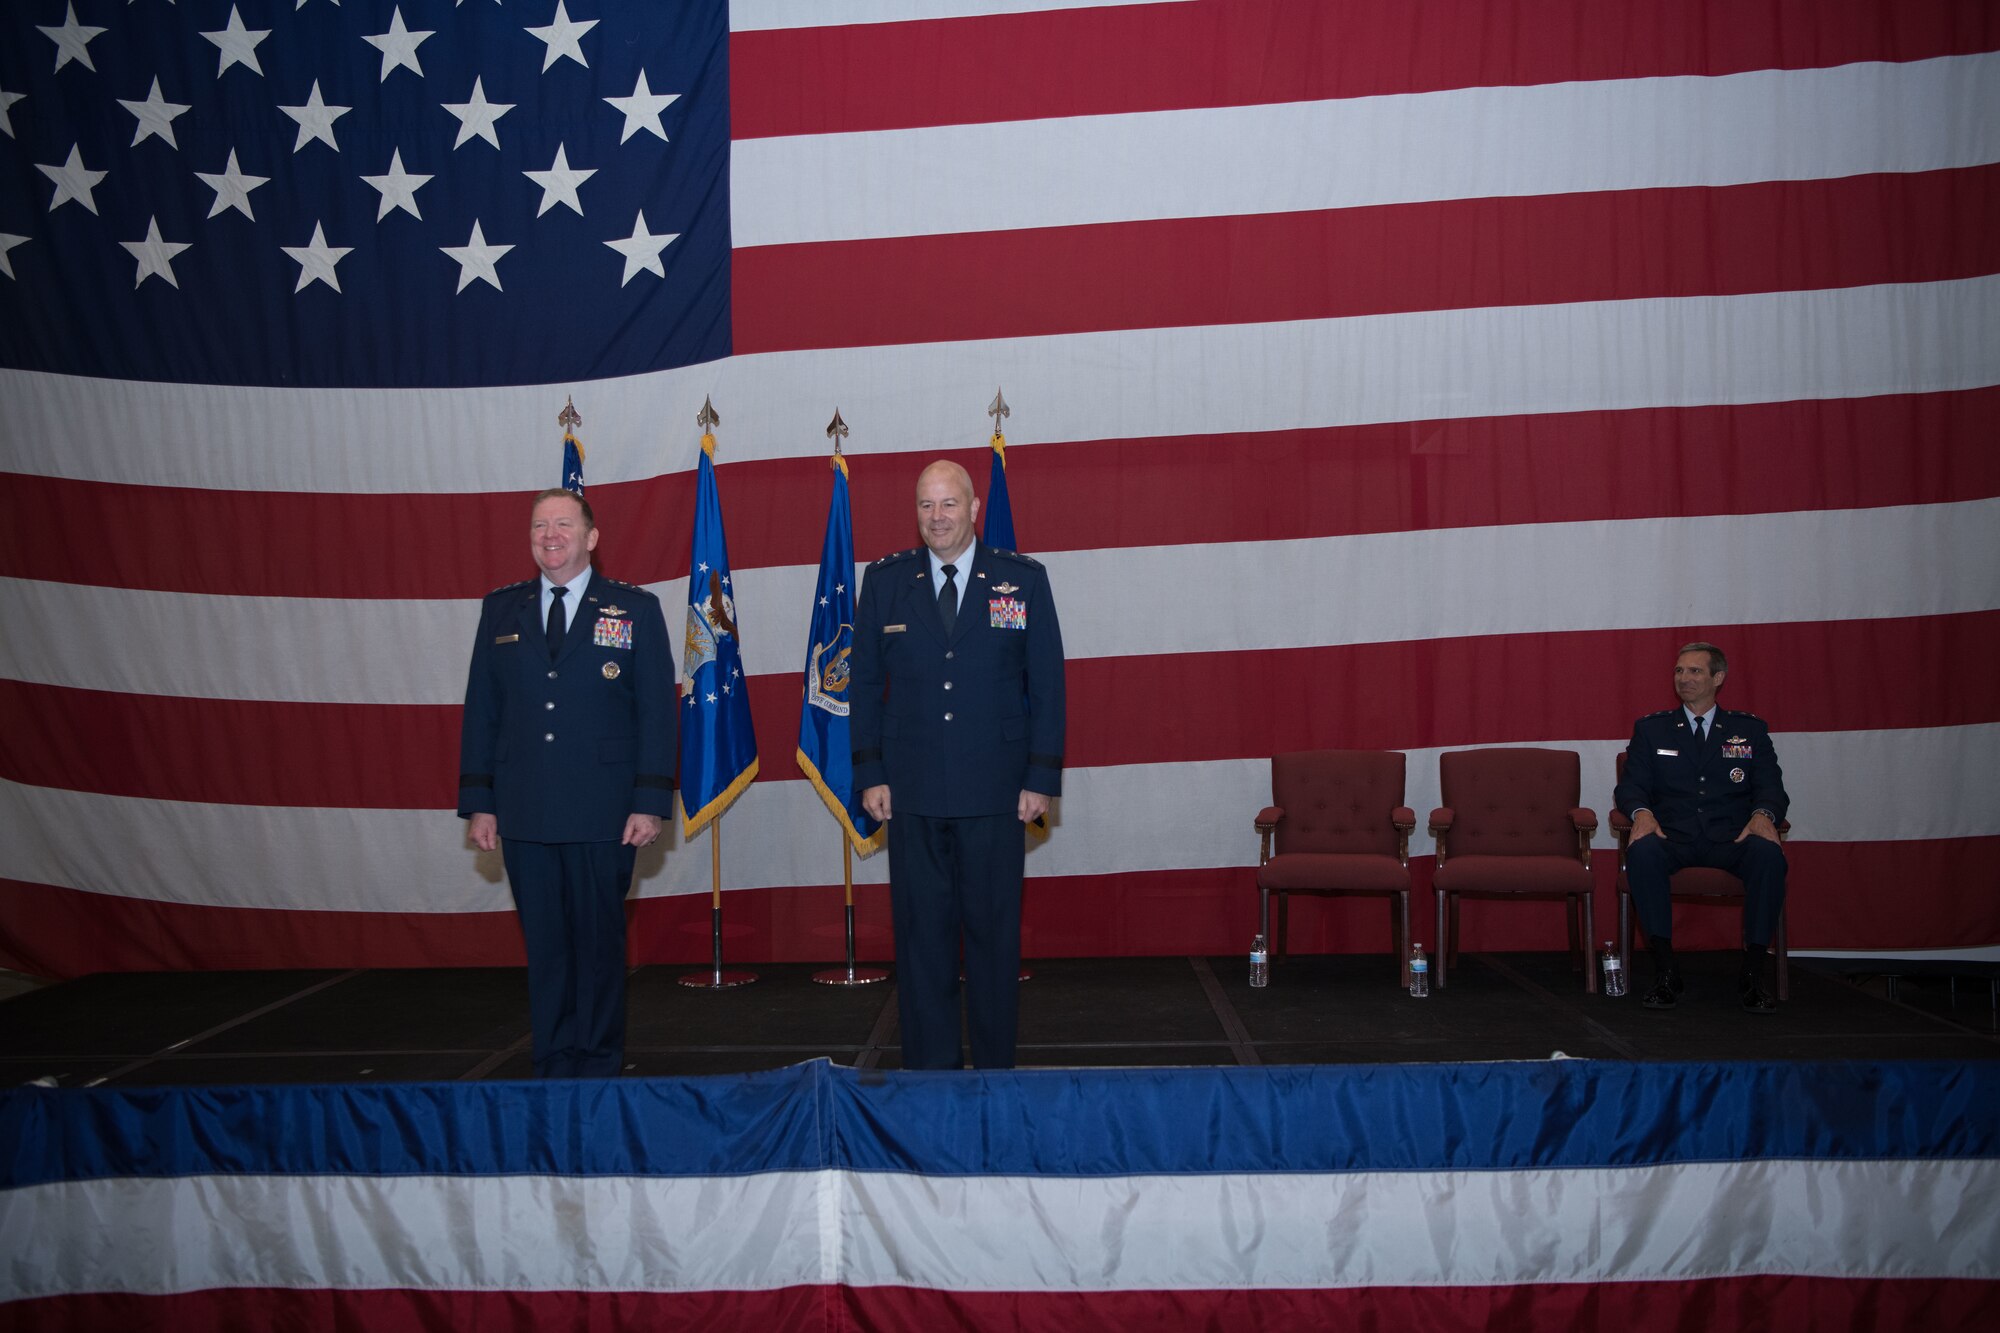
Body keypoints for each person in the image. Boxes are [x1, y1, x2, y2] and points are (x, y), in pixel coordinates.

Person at [850, 460, 1066, 1069]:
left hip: (997, 791)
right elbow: (863, 685)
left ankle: (995, 1075)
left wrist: (1040, 780)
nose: (937, 517)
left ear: (973, 509)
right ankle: (931, 1078)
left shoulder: (1020, 580)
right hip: (911, 791)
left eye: (949, 504)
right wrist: (870, 772)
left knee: (993, 943)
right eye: (926, 505)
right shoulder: (887, 581)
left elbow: (1047, 684)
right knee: (922, 946)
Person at [458, 488, 677, 1076]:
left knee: (599, 946)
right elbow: (484, 708)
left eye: (562, 524)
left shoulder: (633, 610)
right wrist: (480, 803)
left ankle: (599, 1058)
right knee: (547, 948)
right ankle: (554, 1059)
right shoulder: (501, 610)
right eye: (539, 526)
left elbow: (657, 712)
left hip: (604, 810)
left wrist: (650, 801)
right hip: (524, 807)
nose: (549, 535)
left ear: (591, 537)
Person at [1613, 641, 1788, 1013]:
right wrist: (1642, 812)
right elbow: (1631, 786)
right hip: (1671, 835)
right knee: (1642, 853)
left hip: (1732, 837)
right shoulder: (1653, 729)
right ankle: (1665, 970)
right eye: (1679, 671)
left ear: (1718, 677)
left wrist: (1763, 815)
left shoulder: (1748, 730)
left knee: (1769, 857)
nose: (1684, 678)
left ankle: (1754, 974)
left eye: (1694, 671)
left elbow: (1771, 787)